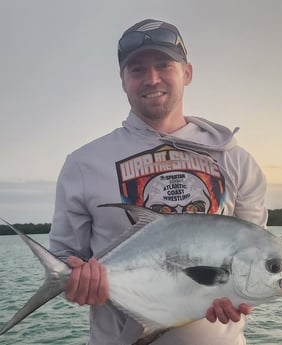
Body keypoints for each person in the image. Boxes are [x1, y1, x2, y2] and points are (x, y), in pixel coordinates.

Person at [49, 19, 268, 345]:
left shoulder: (236, 161)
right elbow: (64, 262)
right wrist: (77, 282)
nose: (151, 78)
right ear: (123, 81)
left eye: (164, 64)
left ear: (188, 72)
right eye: (137, 69)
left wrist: (238, 297)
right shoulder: (83, 164)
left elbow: (252, 257)